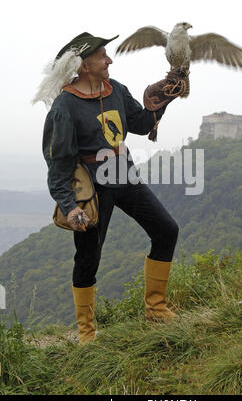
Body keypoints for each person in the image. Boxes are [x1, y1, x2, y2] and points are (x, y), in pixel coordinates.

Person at [33, 32, 185, 344]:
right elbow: (58, 165)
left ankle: (156, 309)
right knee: (88, 258)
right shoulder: (65, 106)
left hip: (124, 175)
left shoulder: (116, 90)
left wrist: (166, 95)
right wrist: (69, 205)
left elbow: (142, 124)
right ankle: (87, 333)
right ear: (84, 65)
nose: (109, 60)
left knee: (166, 230)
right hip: (91, 189)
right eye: (103, 56)